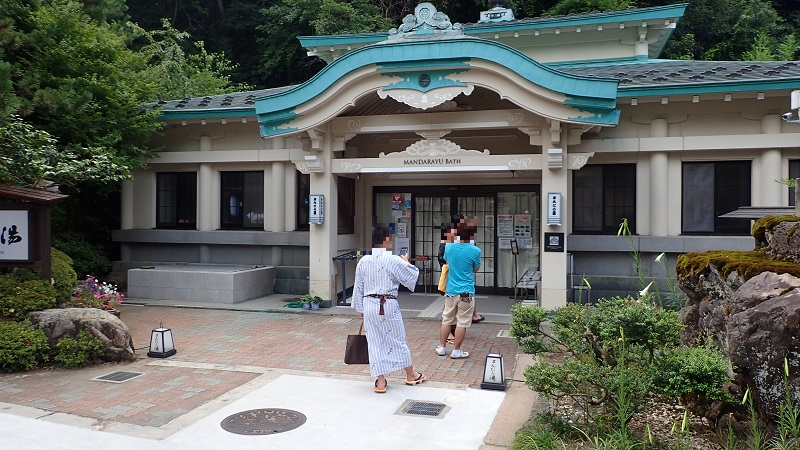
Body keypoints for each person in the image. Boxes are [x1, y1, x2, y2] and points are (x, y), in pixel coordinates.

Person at [352, 225, 426, 393]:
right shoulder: (392, 259)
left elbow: (358, 288)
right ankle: (411, 374)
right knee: (398, 339)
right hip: (388, 304)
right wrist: (406, 261)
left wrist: (361, 309)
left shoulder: (364, 261)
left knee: (374, 342)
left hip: (369, 304)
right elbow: (411, 275)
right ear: (387, 240)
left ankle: (380, 382)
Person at [435, 217, 480, 359]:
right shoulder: (475, 250)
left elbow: (447, 262)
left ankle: (442, 347)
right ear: (473, 234)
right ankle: (456, 350)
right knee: (462, 322)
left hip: (450, 289)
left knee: (447, 319)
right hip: (466, 291)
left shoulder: (449, 246)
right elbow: (476, 269)